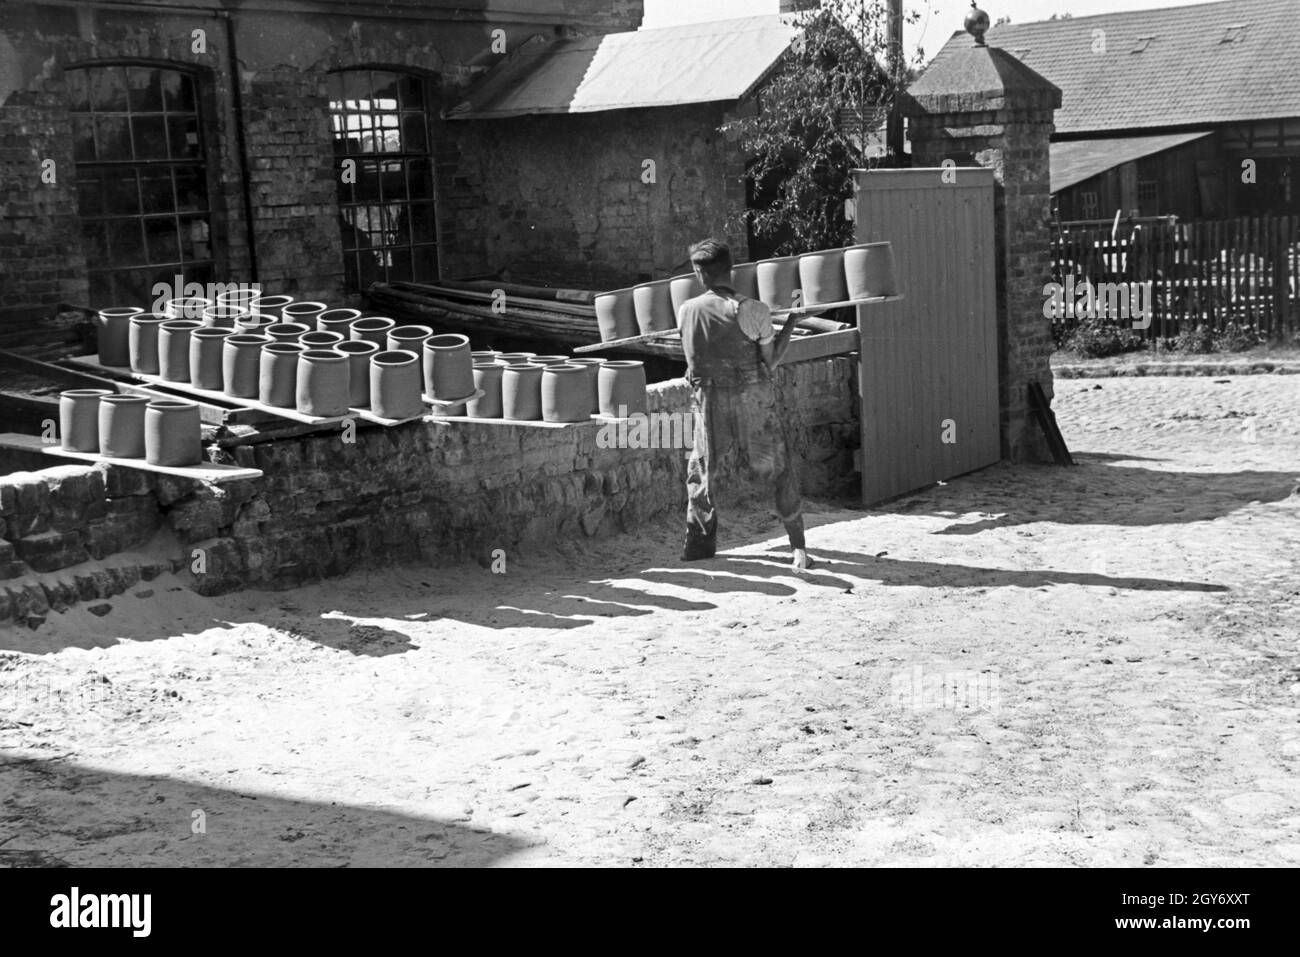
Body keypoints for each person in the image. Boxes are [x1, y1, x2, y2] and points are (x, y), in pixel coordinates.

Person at [677, 238, 808, 570]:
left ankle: (698, 547)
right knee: (777, 467)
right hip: (751, 398)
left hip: (708, 401)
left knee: (701, 471)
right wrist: (792, 321)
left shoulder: (686, 310)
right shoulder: (752, 309)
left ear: (699, 273)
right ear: (730, 270)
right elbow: (773, 360)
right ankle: (799, 548)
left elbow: (692, 360)